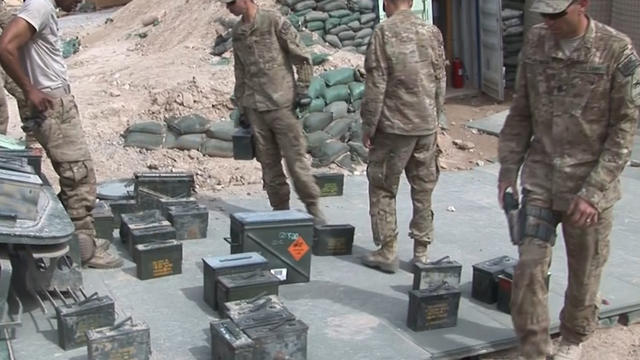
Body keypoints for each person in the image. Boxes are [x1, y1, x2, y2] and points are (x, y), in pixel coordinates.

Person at [497, 1, 639, 359]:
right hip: (541, 179)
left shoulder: (616, 49)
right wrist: (508, 171)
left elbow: (624, 129)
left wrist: (593, 192)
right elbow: (520, 111)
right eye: (543, 14)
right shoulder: (536, 41)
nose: (549, 22)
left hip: (588, 186)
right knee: (529, 264)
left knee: (584, 272)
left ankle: (573, 339)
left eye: (556, 14)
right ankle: (535, 348)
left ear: (582, 5)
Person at [0, 0, 122, 268]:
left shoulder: (38, 6)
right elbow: (6, 47)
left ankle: (70, 240)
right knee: (78, 178)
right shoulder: (40, 6)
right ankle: (85, 251)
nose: (79, 2)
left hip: (55, 102)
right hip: (54, 106)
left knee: (76, 174)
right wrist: (30, 89)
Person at [220, 0, 326, 223]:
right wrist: (242, 106)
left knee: (296, 162)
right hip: (256, 110)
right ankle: (280, 213)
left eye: (231, 3)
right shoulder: (238, 32)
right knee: (269, 166)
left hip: (281, 106)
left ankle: (313, 209)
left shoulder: (274, 21)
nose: (228, 8)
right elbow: (240, 71)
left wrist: (303, 88)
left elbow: (302, 56)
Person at [359, 0, 446, 273]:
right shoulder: (432, 32)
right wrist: (435, 117)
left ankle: (387, 251)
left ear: (387, 2)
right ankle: (421, 251)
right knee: (423, 188)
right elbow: (440, 79)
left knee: (383, 186)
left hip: (394, 129)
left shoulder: (383, 33)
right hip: (426, 126)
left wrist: (368, 126)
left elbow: (376, 85)